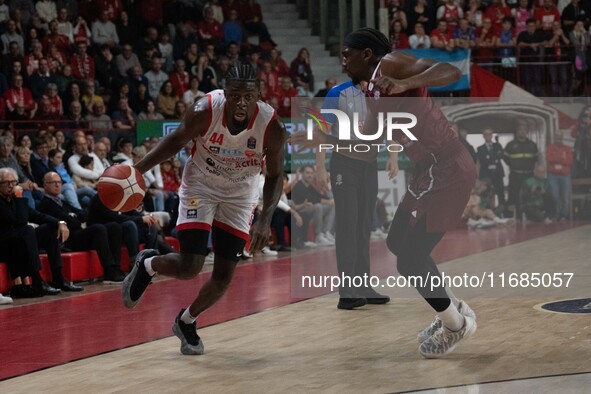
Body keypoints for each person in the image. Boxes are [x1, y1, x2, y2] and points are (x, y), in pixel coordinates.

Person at [299, 28, 477, 358]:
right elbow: (364, 142)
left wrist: (406, 84)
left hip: (449, 166)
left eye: (347, 53)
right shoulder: (371, 97)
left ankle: (455, 325)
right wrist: (321, 142)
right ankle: (452, 309)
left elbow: (451, 71)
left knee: (409, 259)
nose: (343, 59)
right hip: (429, 171)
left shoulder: (393, 64)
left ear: (366, 54)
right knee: (397, 243)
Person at [121, 64, 286, 356]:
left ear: (258, 94)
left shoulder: (271, 125)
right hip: (201, 186)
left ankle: (187, 321)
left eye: (248, 96)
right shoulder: (205, 110)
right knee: (190, 267)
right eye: (235, 95)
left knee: (223, 276)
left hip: (240, 195)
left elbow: (274, 176)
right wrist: (137, 170)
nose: (241, 102)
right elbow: (175, 141)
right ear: (225, 92)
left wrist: (265, 220)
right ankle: (148, 264)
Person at [546, 130, 573, 220]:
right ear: (554, 137)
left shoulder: (568, 148)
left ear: (562, 137)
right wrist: (562, 158)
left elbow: (569, 161)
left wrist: (557, 159)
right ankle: (556, 214)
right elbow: (550, 159)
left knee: (565, 196)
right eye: (557, 136)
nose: (558, 138)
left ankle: (564, 215)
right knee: (555, 195)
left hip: (565, 175)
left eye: (560, 136)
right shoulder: (549, 147)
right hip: (553, 175)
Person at [477, 128, 505, 210]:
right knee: (486, 193)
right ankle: (487, 211)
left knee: (500, 192)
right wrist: (492, 158)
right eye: (486, 134)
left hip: (498, 173)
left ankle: (502, 211)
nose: (488, 136)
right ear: (483, 136)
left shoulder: (498, 146)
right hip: (486, 174)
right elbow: (482, 161)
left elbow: (500, 156)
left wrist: (489, 157)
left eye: (490, 134)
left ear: (492, 135)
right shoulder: (480, 148)